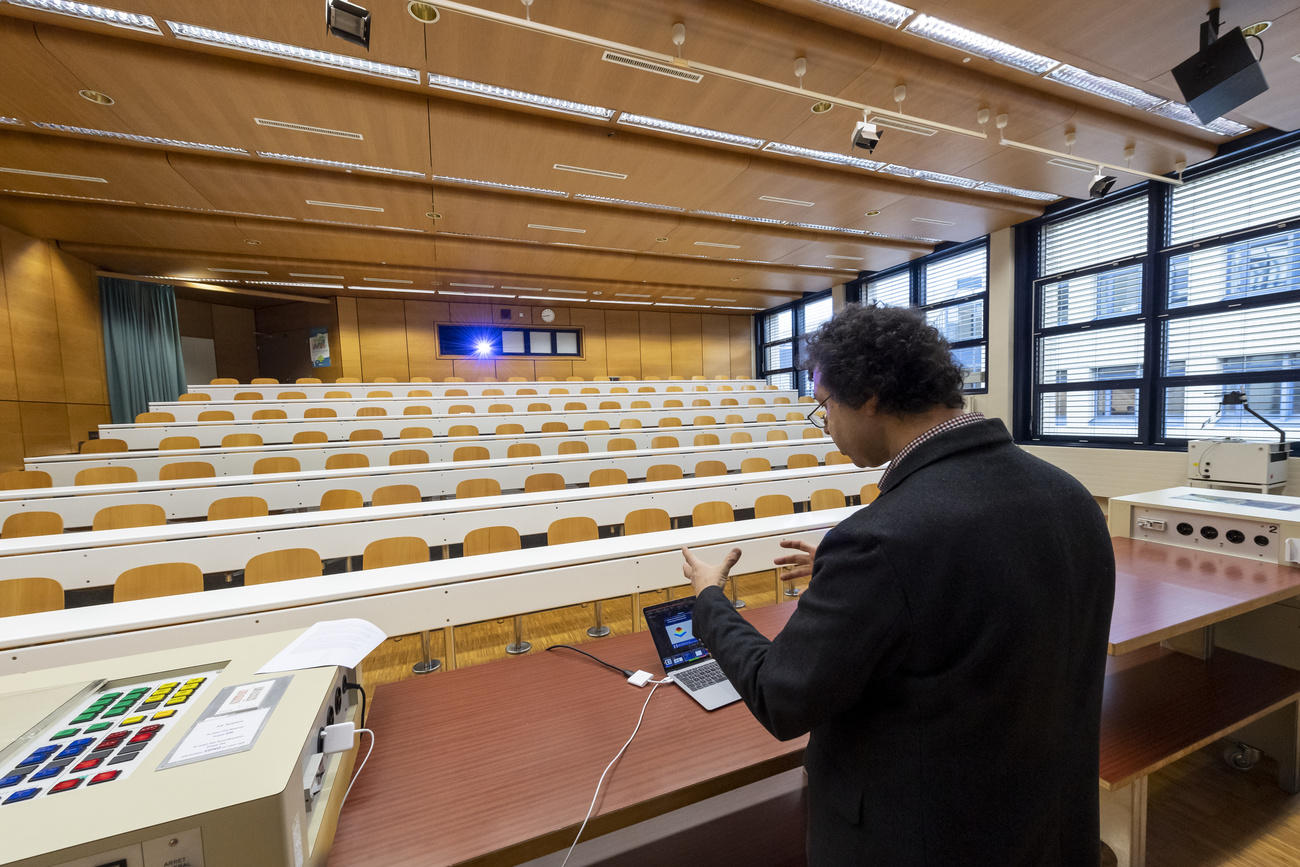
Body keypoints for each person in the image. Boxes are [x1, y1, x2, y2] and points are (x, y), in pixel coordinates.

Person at [681, 303, 1114, 866]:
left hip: (928, 835)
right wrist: (869, 585)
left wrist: (710, 597)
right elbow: (984, 594)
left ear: (869, 396)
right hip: (1044, 819)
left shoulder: (883, 540)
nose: (827, 426)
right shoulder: (1068, 494)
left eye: (825, 406)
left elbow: (782, 697)